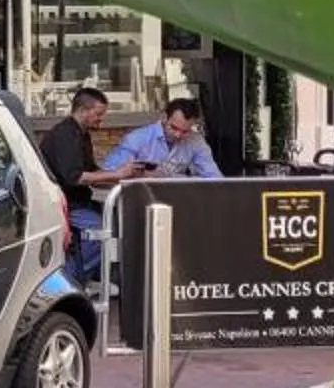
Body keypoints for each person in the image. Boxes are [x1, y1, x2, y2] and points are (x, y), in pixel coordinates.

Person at [36, 88, 141, 284]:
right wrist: (116, 174)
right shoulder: (65, 135)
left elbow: (92, 170)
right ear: (83, 110)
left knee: (116, 222)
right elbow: (75, 177)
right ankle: (69, 282)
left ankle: (95, 277)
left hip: (79, 200)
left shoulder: (82, 134)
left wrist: (122, 177)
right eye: (98, 114)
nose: (101, 119)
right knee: (103, 232)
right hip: (64, 203)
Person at [103, 98, 222, 182]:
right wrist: (137, 174)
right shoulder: (137, 138)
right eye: (174, 128)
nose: (178, 135)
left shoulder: (195, 141)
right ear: (164, 117)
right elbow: (109, 172)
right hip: (141, 200)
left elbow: (214, 179)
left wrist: (170, 177)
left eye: (185, 131)